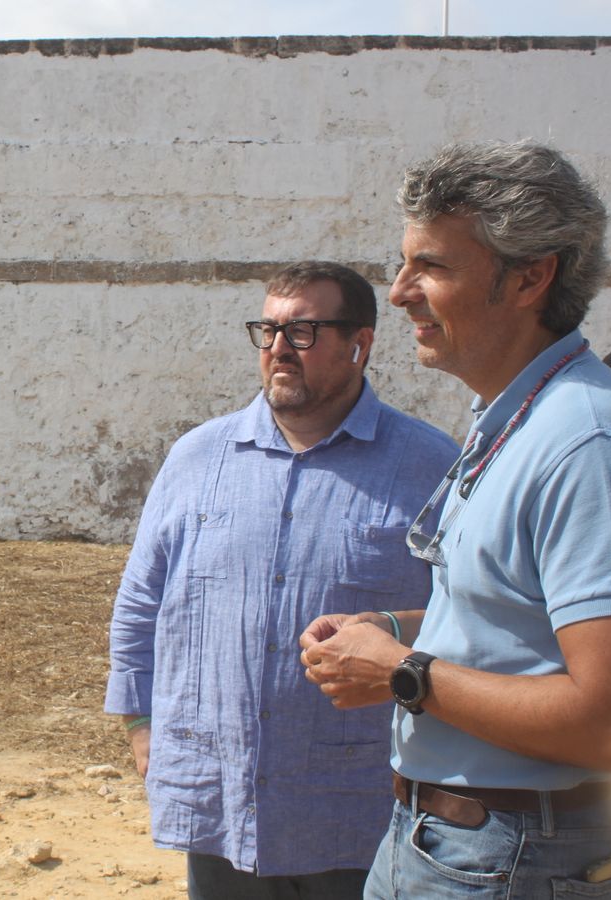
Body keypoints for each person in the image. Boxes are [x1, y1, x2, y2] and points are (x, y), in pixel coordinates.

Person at [298, 141, 611, 900]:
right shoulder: (520, 418)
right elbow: (519, 626)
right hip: (457, 844)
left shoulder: (590, 444)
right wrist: (391, 630)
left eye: (432, 267)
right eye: (405, 262)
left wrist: (401, 673)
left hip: (507, 858)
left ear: (529, 276)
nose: (401, 291)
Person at [105, 261, 457, 898]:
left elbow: (467, 620)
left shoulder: (431, 466)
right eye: (266, 332)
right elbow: (141, 602)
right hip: (219, 794)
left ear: (361, 343)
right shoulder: (197, 458)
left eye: (301, 332)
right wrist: (139, 724)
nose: (276, 350)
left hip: (359, 807)